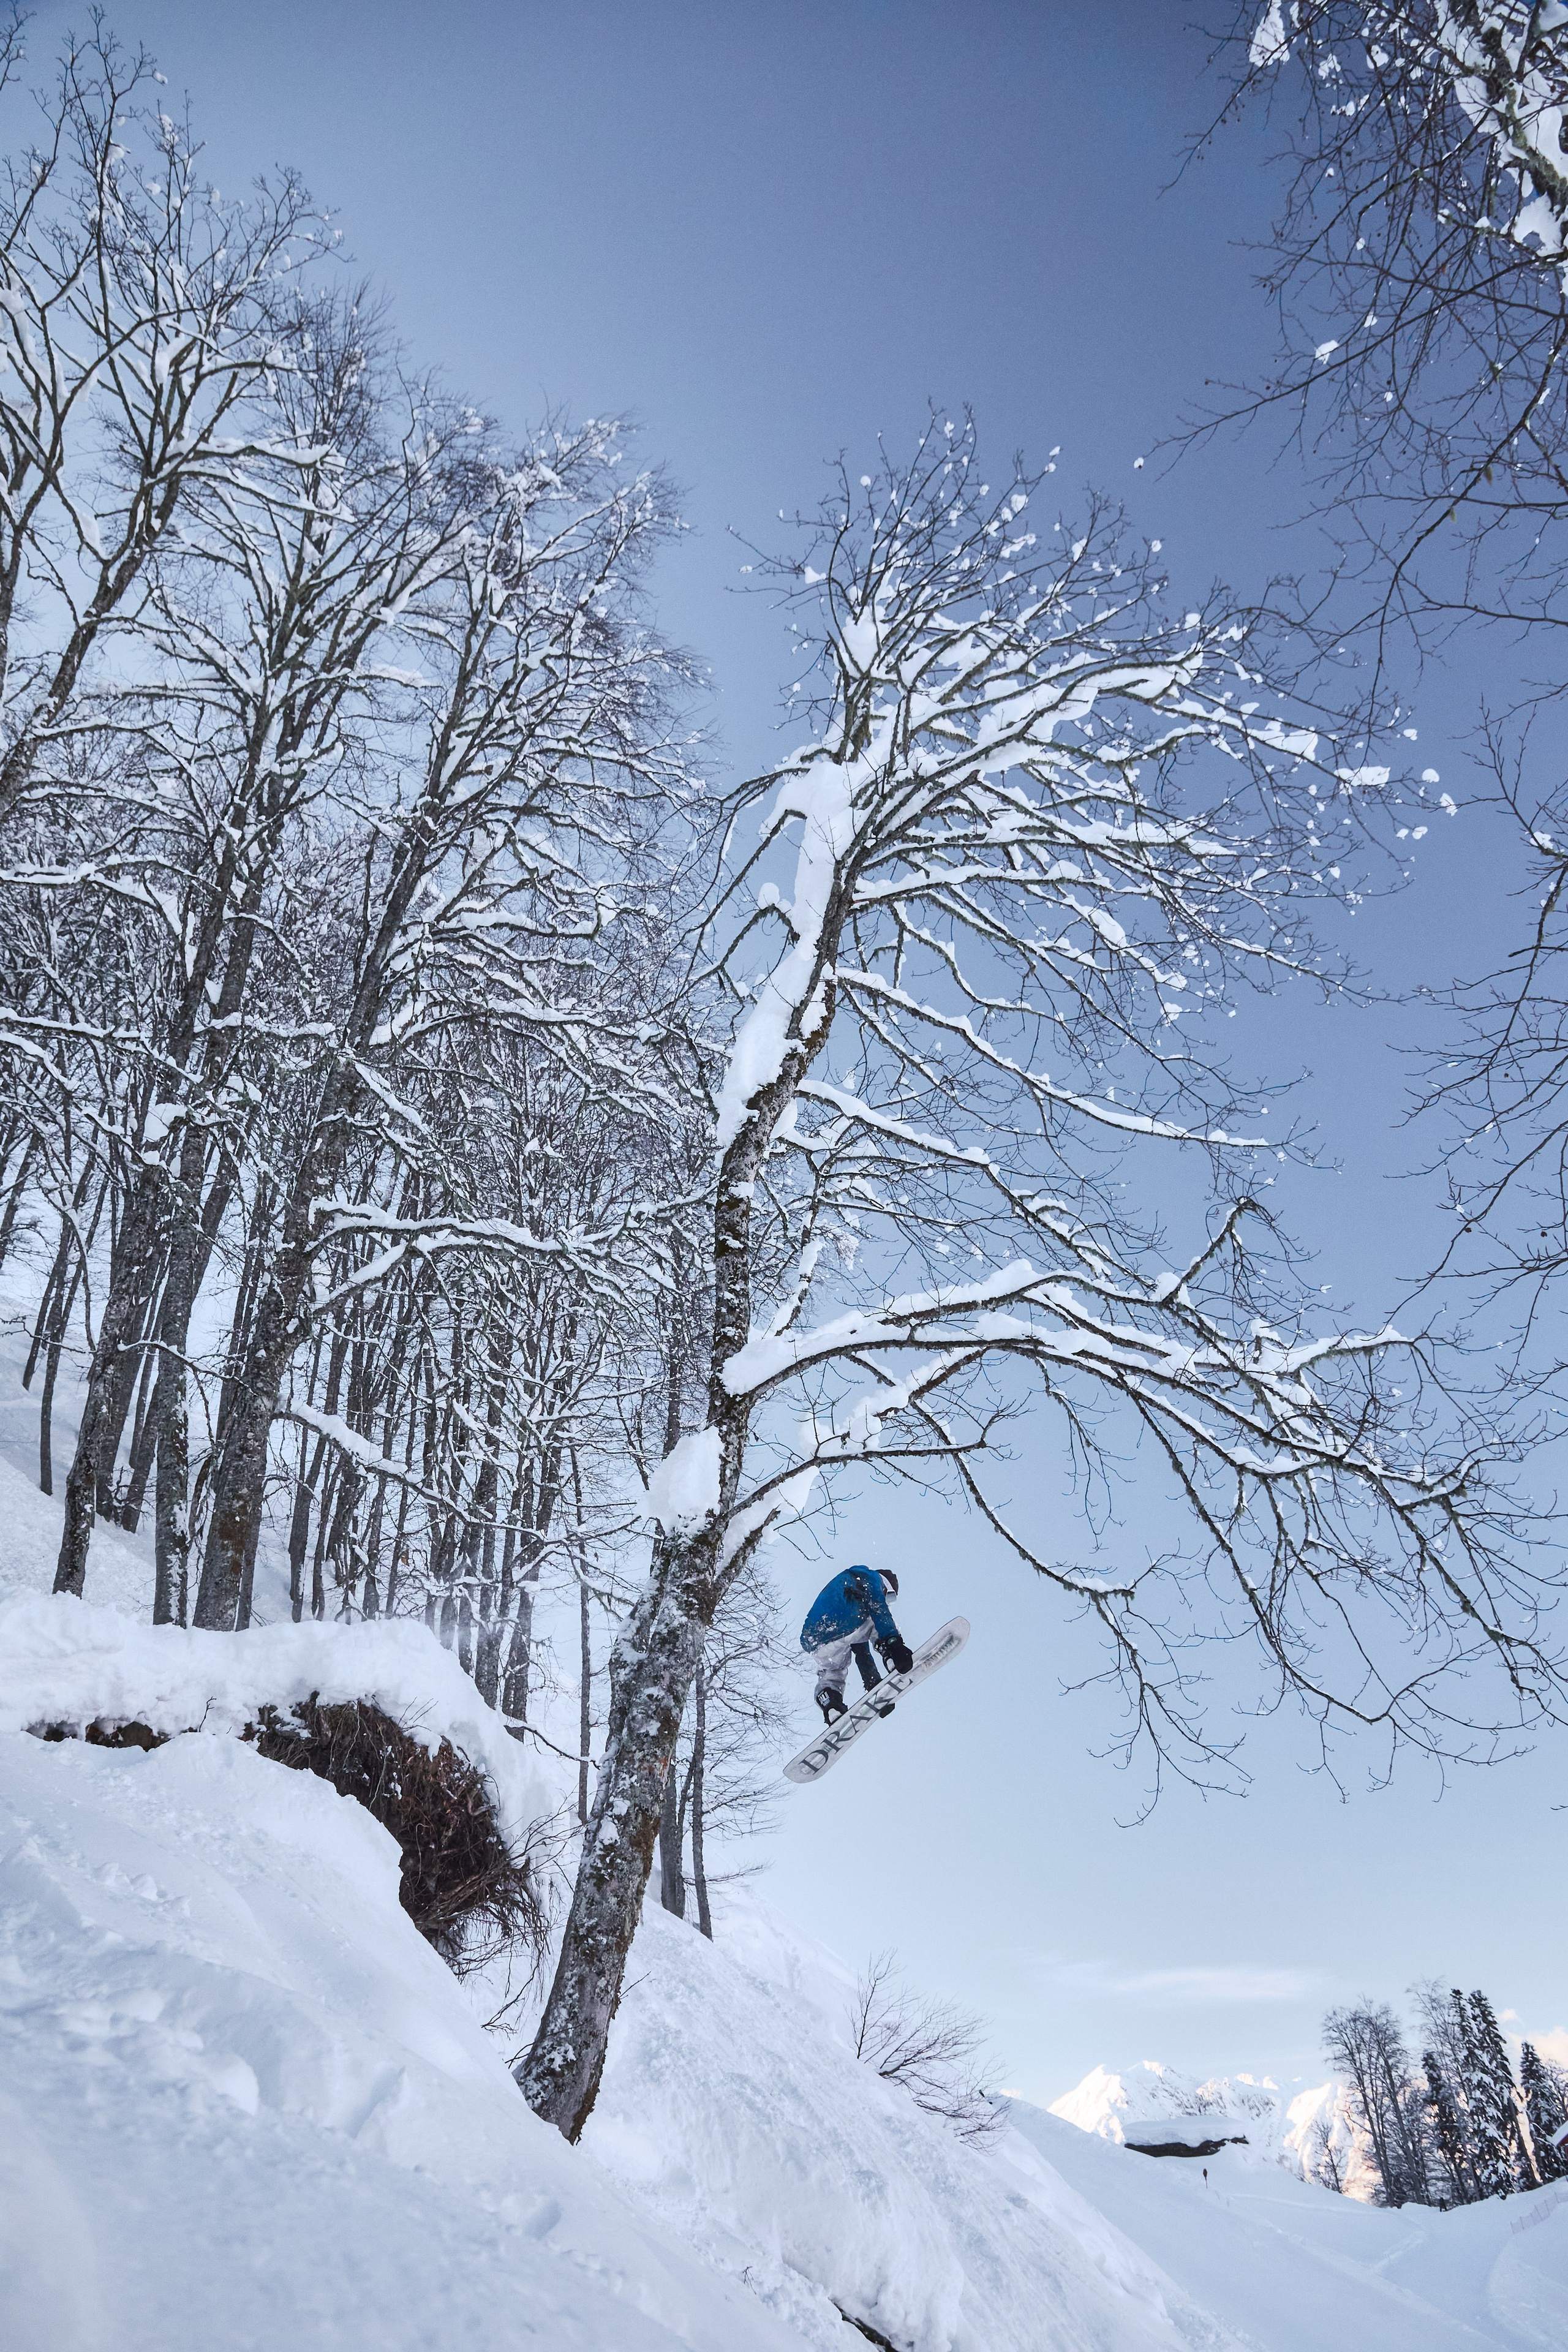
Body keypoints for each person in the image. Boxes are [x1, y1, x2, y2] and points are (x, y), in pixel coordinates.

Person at [799, 1565, 914, 1724]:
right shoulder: (871, 1577)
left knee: (834, 1671)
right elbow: (878, 1608)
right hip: (841, 1623)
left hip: (815, 1639)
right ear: (886, 1586)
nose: (888, 1603)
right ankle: (892, 1657)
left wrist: (873, 1683)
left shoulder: (852, 1591)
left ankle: (831, 1704)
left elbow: (861, 1651)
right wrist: (894, 1643)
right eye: (890, 1597)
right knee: (879, 1622)